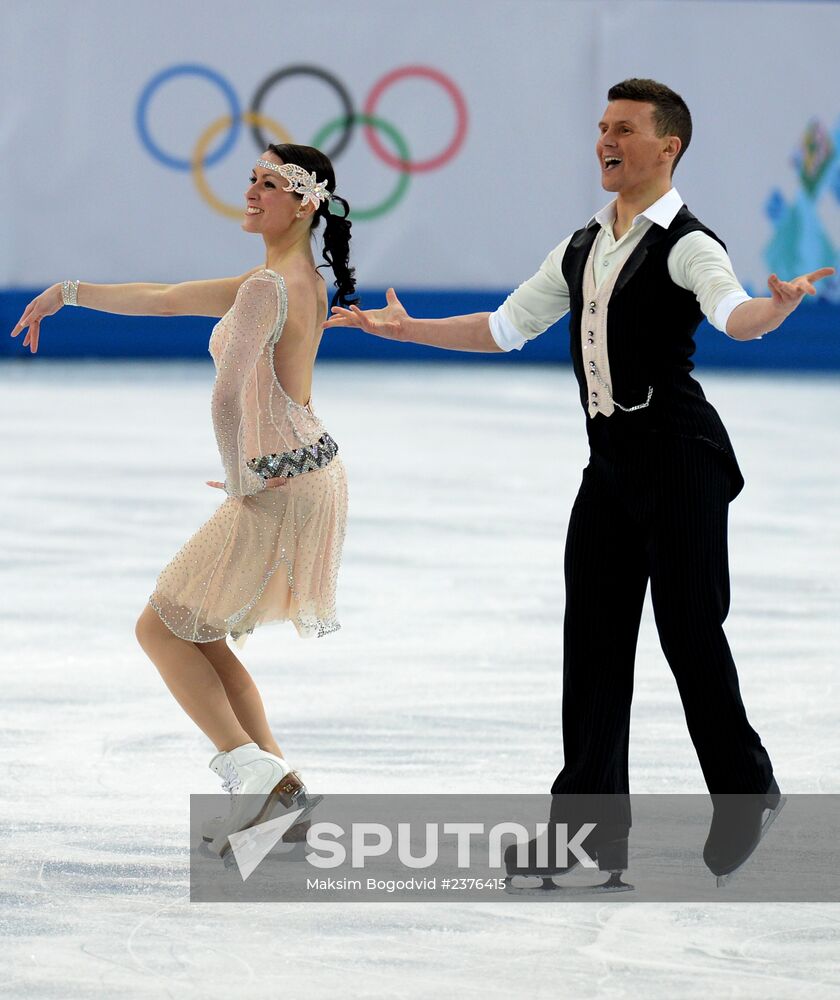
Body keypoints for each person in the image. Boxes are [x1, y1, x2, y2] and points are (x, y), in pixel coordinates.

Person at [324, 79, 834, 885]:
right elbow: (503, 327)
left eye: (625, 129)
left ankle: (747, 790)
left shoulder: (691, 244)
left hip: (682, 459)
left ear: (668, 147)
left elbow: (733, 312)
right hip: (611, 467)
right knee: (592, 643)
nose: (607, 140)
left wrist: (774, 312)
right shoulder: (582, 245)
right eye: (602, 127)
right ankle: (589, 835)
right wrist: (406, 328)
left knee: (689, 632)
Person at [10, 143, 355, 857]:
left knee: (160, 628)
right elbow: (165, 299)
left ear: (305, 201)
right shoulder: (288, 276)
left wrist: (240, 478)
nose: (252, 192)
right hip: (304, 470)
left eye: (269, 184)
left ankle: (255, 775)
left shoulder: (267, 288)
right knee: (196, 630)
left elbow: (229, 395)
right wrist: (69, 291)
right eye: (251, 180)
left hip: (278, 481)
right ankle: (280, 791)